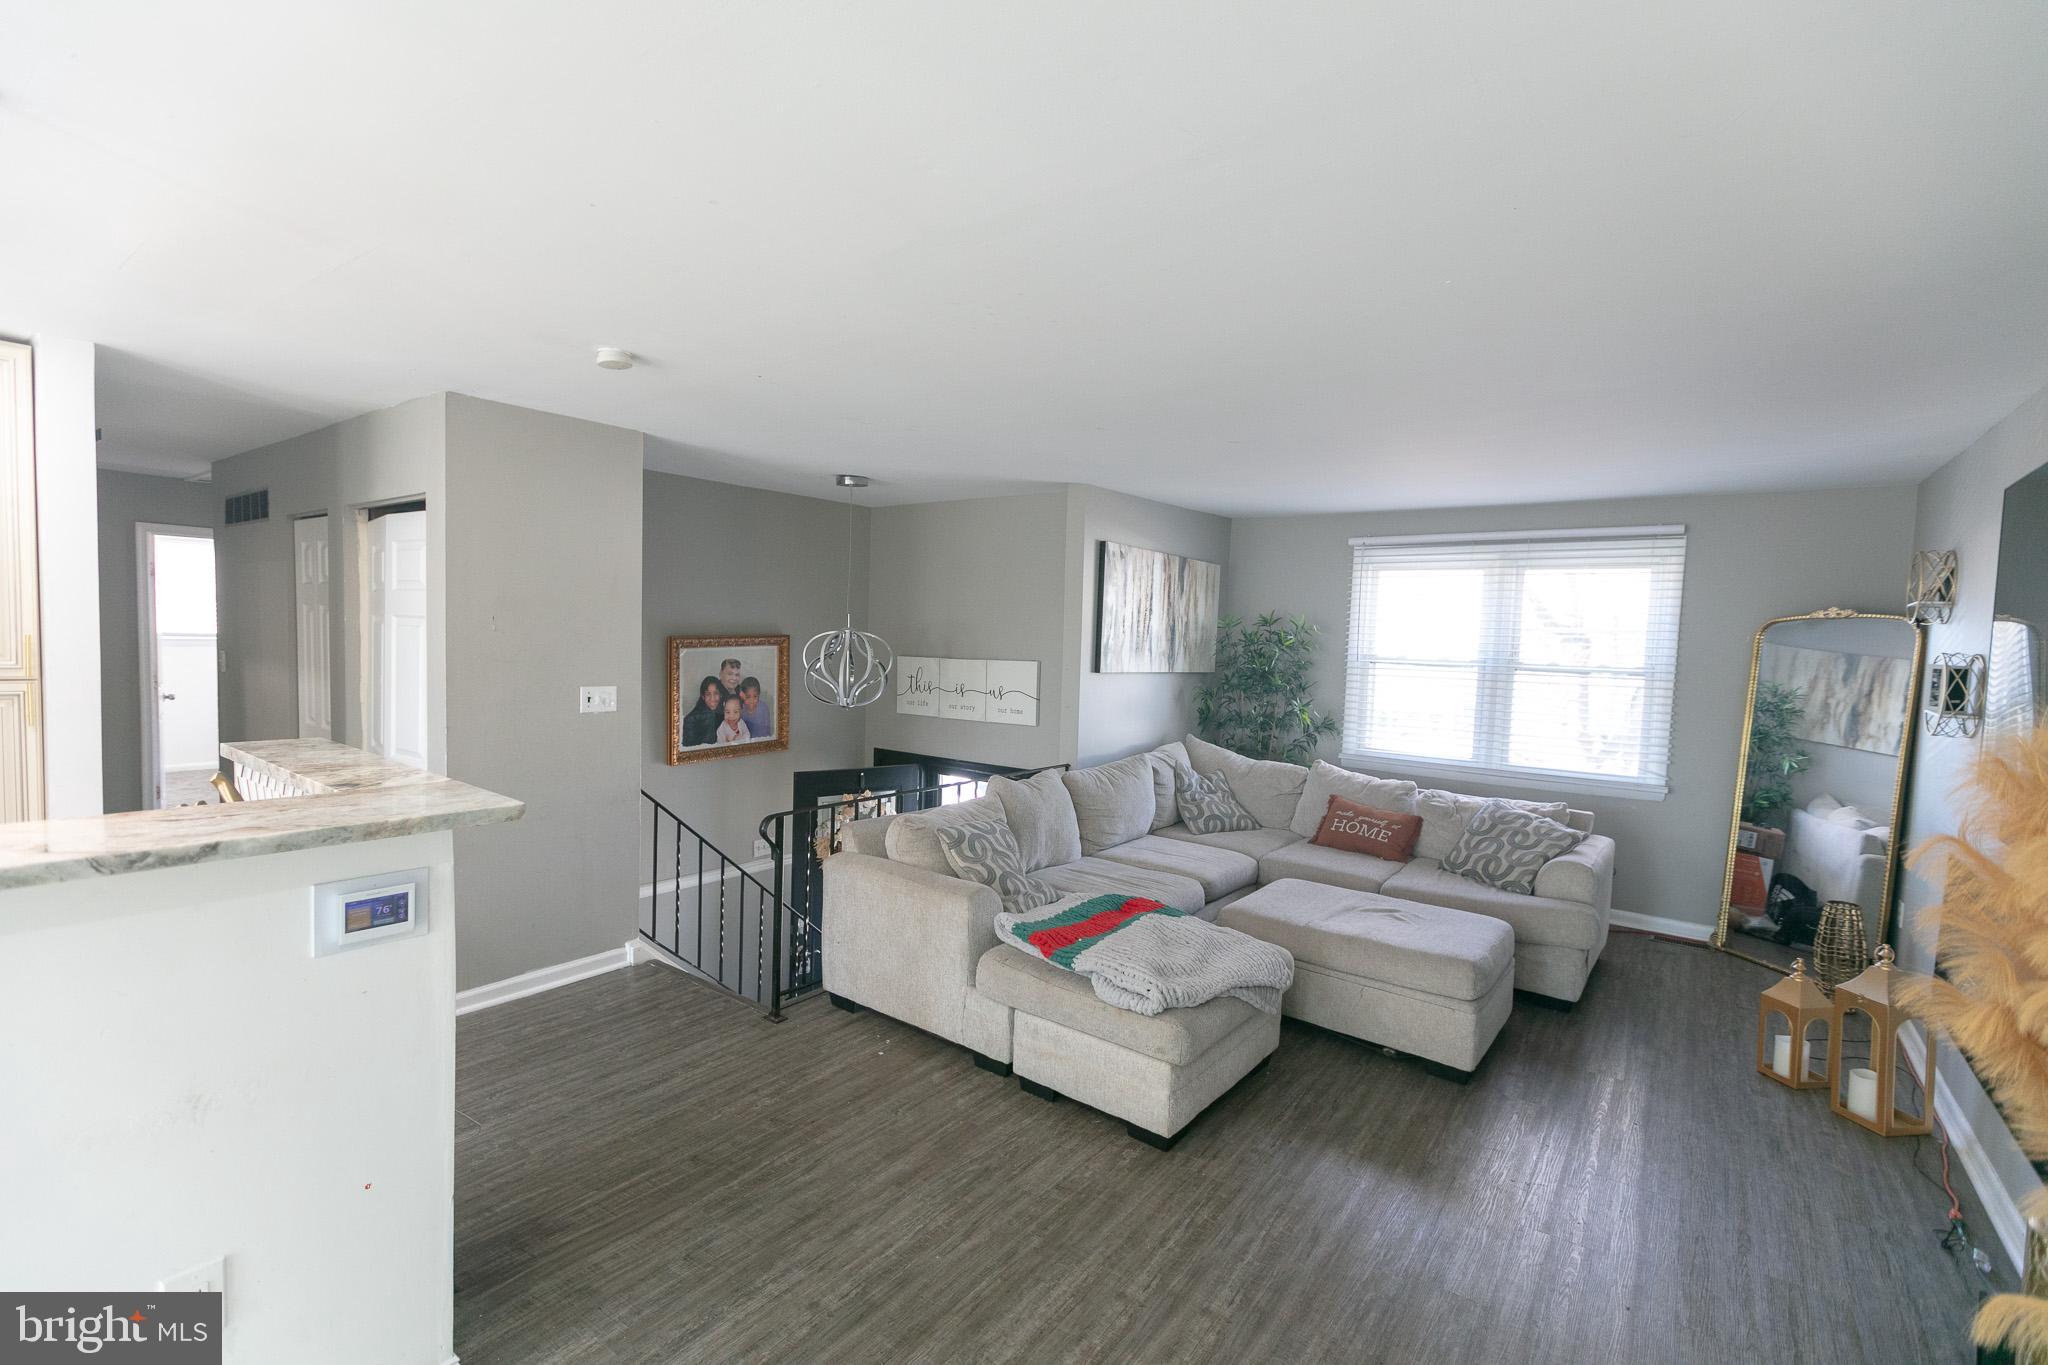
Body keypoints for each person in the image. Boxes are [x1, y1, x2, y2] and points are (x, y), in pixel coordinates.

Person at [680, 676, 725, 748]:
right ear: (703, 697)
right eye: (708, 694)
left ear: (721, 695)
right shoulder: (690, 720)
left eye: (716, 693)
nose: (712, 699)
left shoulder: (725, 714)